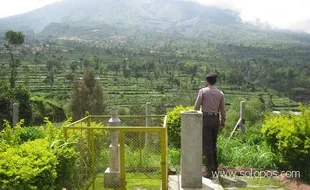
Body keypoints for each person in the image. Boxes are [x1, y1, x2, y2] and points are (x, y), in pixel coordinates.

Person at [194, 73, 226, 178]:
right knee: (213, 144)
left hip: (206, 119)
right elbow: (223, 110)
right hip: (215, 119)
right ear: (215, 81)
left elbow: (196, 106)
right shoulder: (220, 93)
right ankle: (215, 168)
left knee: (207, 145)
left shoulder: (203, 91)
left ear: (206, 81)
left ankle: (210, 171)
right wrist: (222, 122)